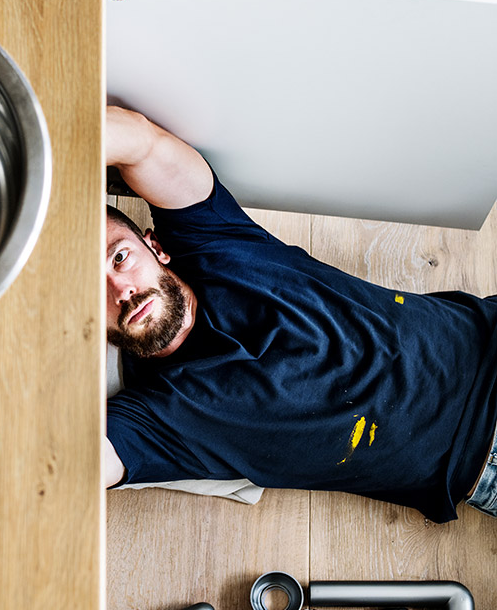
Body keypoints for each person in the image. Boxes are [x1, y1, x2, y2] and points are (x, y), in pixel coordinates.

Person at [104, 105, 497, 524]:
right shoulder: (156, 416)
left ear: (156, 247)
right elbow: (72, 460)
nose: (120, 290)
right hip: (480, 464)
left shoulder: (211, 239)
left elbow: (141, 144)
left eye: (121, 257)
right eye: (90, 292)